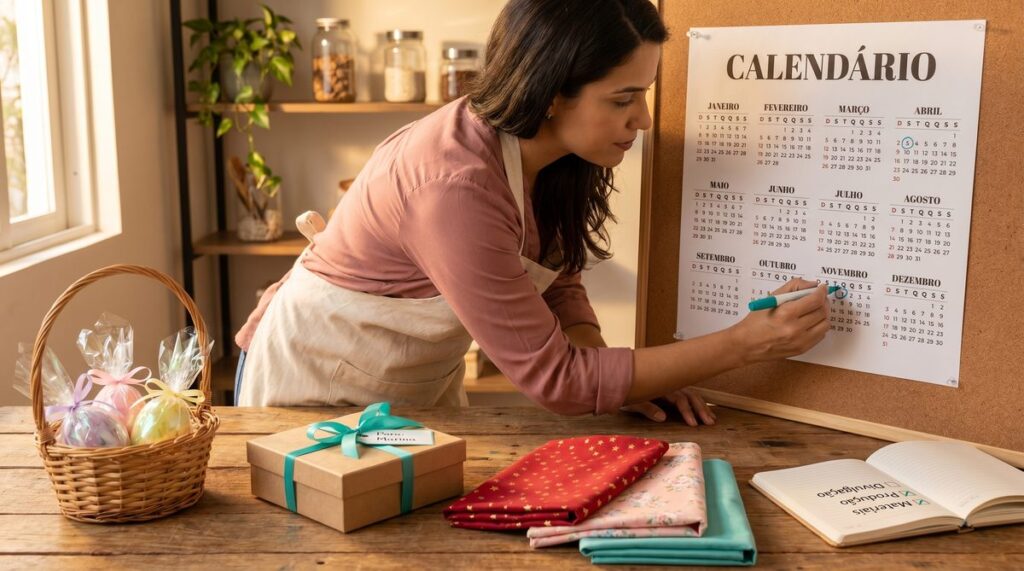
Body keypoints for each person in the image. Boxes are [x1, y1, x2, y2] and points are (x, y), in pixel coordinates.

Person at [233, 0, 831, 425]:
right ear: (551, 95)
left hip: (402, 388)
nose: (643, 120)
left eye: (643, 93)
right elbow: (559, 383)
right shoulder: (456, 187)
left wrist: (609, 376)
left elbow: (555, 276)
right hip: (318, 392)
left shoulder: (549, 148)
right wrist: (744, 344)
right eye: (623, 99)